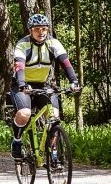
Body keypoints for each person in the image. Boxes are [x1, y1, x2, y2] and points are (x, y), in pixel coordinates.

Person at [10, 14, 81, 159]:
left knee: (54, 116)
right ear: (30, 30)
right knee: (24, 113)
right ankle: (17, 140)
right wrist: (23, 85)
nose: (41, 32)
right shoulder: (23, 45)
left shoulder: (53, 43)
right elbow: (19, 67)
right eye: (37, 29)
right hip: (22, 85)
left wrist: (74, 81)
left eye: (44, 29)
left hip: (43, 85)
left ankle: (54, 154)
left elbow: (66, 63)